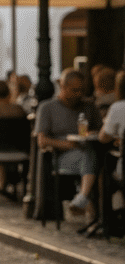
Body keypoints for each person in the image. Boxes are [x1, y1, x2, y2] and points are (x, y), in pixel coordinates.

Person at [35, 68, 102, 218]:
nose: (79, 94)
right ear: (63, 87)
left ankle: (85, 201)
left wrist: (91, 134)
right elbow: (42, 140)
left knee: (93, 156)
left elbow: (101, 130)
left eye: (81, 90)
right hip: (61, 157)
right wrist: (69, 144)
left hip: (87, 152)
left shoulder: (89, 106)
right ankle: (84, 199)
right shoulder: (47, 107)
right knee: (89, 155)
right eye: (74, 90)